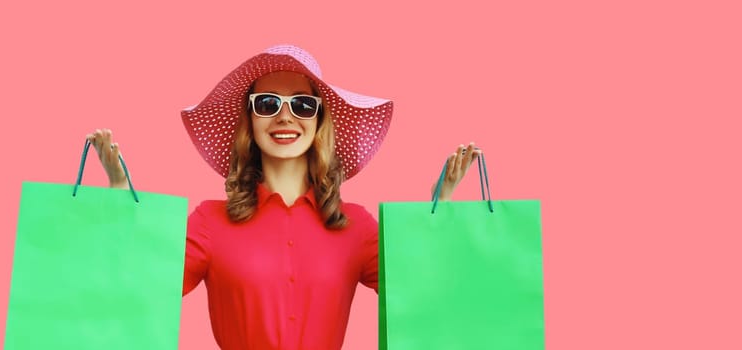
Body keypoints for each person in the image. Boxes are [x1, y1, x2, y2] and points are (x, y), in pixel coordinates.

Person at [85, 45, 480, 350]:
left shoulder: (356, 226)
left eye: (303, 105)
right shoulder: (209, 221)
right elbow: (142, 287)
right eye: (268, 103)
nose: (285, 117)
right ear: (250, 121)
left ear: (319, 122)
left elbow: (420, 296)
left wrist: (437, 212)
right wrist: (120, 198)